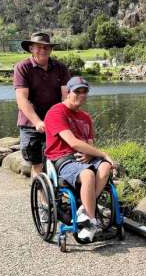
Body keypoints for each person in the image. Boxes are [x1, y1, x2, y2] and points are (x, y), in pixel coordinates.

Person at [43, 77, 115, 242]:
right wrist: (103, 153)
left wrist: (93, 154)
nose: (81, 95)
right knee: (88, 174)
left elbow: (89, 143)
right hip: (64, 158)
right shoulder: (56, 112)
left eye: (84, 92)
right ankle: (91, 221)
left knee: (105, 167)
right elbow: (73, 142)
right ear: (68, 93)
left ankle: (83, 208)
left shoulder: (86, 117)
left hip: (84, 156)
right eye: (77, 91)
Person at [13, 32, 70, 178]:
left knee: (61, 159)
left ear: (51, 50)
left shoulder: (60, 68)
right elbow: (21, 99)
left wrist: (66, 118)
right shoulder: (22, 67)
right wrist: (38, 122)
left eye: (46, 48)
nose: (42, 50)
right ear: (31, 48)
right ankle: (42, 200)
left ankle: (58, 194)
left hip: (55, 122)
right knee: (37, 165)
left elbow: (66, 96)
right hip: (31, 124)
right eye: (38, 47)